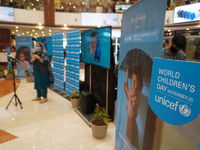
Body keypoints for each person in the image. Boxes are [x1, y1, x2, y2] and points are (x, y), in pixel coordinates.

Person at [124, 66, 143, 149]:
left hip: (131, 119)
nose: (134, 83)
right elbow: (127, 94)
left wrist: (127, 75)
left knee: (131, 137)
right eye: (133, 80)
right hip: (130, 118)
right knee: (130, 136)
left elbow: (126, 89)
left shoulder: (135, 92)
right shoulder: (135, 91)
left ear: (139, 83)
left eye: (136, 81)